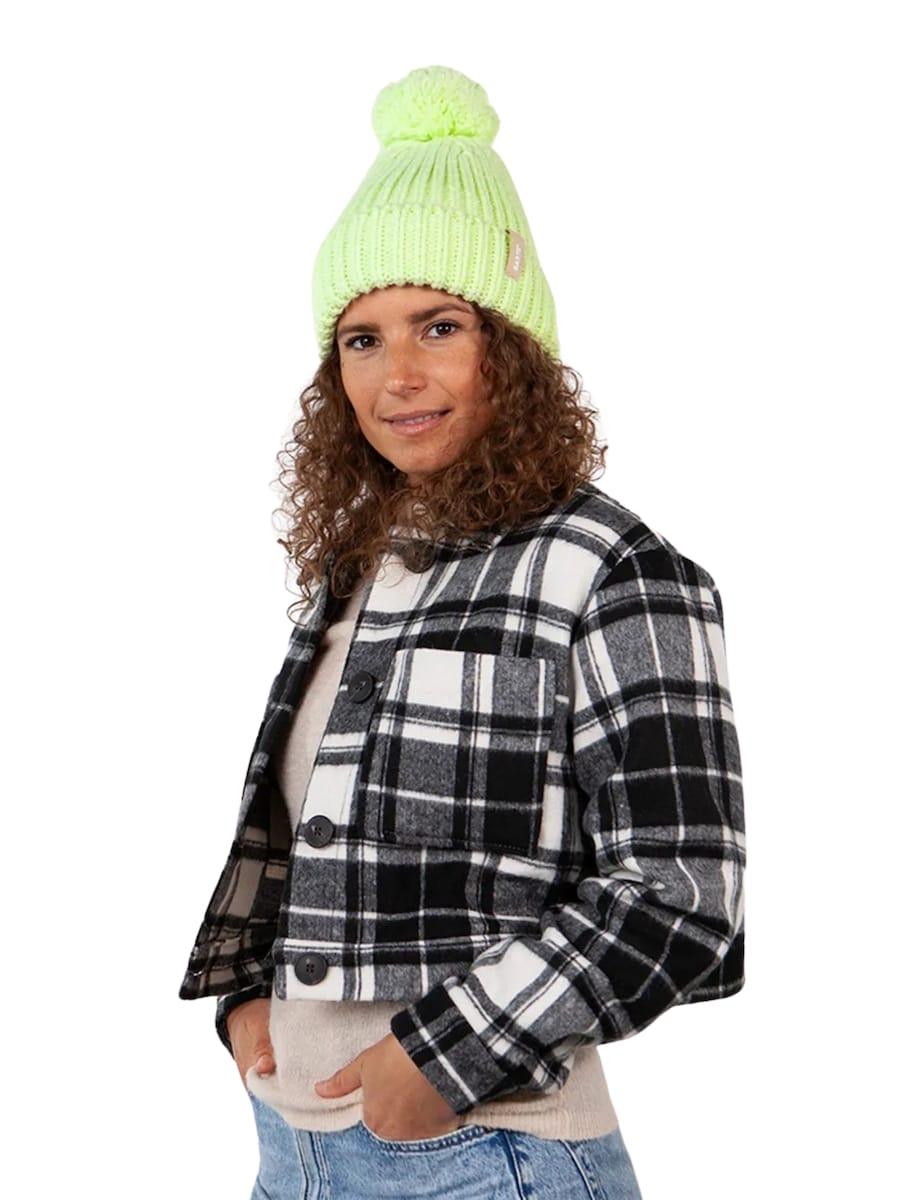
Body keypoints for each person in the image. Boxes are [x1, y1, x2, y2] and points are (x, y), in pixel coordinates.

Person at [178, 65, 746, 1200]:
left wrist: (440, 1063)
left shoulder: (613, 570)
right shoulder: (358, 576)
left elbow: (682, 893)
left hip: (489, 1159)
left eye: (439, 326)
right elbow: (306, 837)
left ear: (513, 351)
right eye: (361, 339)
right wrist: (244, 995)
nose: (398, 376)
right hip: (290, 1155)